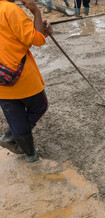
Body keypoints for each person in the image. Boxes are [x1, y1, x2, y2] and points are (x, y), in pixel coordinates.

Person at [0, 0, 53, 162]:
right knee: (40, 106)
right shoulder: (9, 10)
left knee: (15, 116)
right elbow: (37, 39)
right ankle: (10, 137)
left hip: (1, 82)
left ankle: (30, 155)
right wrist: (36, 11)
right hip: (20, 77)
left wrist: (38, 28)